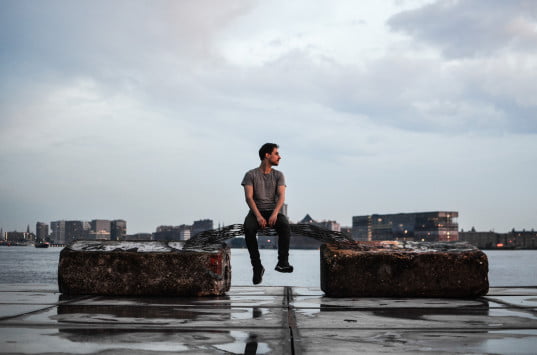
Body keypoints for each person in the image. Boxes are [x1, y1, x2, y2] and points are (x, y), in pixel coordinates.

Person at [241, 143, 293, 285]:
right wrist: (258, 216)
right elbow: (249, 198)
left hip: (272, 210)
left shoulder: (279, 175)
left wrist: (275, 214)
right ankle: (257, 267)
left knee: (284, 224)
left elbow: (281, 197)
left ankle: (283, 262)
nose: (279, 157)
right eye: (276, 153)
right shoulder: (250, 175)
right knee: (249, 228)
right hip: (255, 211)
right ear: (267, 155)